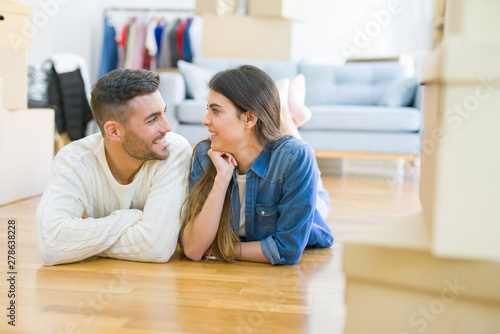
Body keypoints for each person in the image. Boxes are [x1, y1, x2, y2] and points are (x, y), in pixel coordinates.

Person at [36, 68, 192, 266]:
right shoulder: (74, 159)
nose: (167, 127)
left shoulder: (175, 151)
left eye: (164, 113)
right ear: (114, 131)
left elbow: (156, 248)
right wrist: (131, 218)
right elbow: (50, 245)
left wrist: (81, 244)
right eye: (153, 119)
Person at [180, 65, 334, 265]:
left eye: (216, 111)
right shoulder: (205, 155)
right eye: (207, 109)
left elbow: (287, 251)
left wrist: (225, 250)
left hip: (308, 199)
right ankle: (283, 114)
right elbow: (194, 249)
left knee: (315, 190)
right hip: (269, 143)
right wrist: (222, 178)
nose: (205, 120)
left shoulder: (295, 158)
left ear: (250, 118)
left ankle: (284, 116)